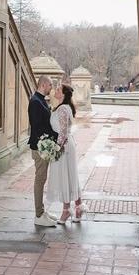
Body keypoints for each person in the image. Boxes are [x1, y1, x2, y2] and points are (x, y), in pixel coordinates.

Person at [46, 84, 83, 224]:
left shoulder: (62, 109)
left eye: (58, 90)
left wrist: (55, 148)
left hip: (64, 147)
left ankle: (66, 210)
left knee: (65, 177)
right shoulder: (66, 107)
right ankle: (78, 207)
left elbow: (62, 132)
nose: (55, 90)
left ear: (63, 94)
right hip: (68, 145)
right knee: (71, 176)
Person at [28, 75, 58, 227]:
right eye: (50, 85)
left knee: (42, 178)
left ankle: (42, 212)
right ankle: (38, 215)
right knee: (40, 180)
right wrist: (54, 137)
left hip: (43, 146)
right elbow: (38, 127)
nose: (51, 88)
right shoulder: (35, 101)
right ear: (44, 84)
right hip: (39, 148)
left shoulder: (41, 100)